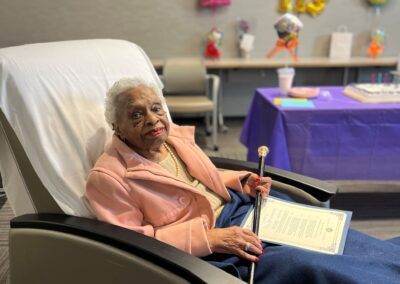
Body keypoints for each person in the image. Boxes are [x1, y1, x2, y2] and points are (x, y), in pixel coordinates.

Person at [86, 78, 400, 283]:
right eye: (137, 115)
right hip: (213, 246)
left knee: (331, 233)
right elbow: (132, 242)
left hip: (241, 207)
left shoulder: (173, 140)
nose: (153, 119)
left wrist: (242, 180)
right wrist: (211, 239)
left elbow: (202, 180)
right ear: (118, 127)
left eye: (157, 109)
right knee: (305, 263)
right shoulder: (108, 177)